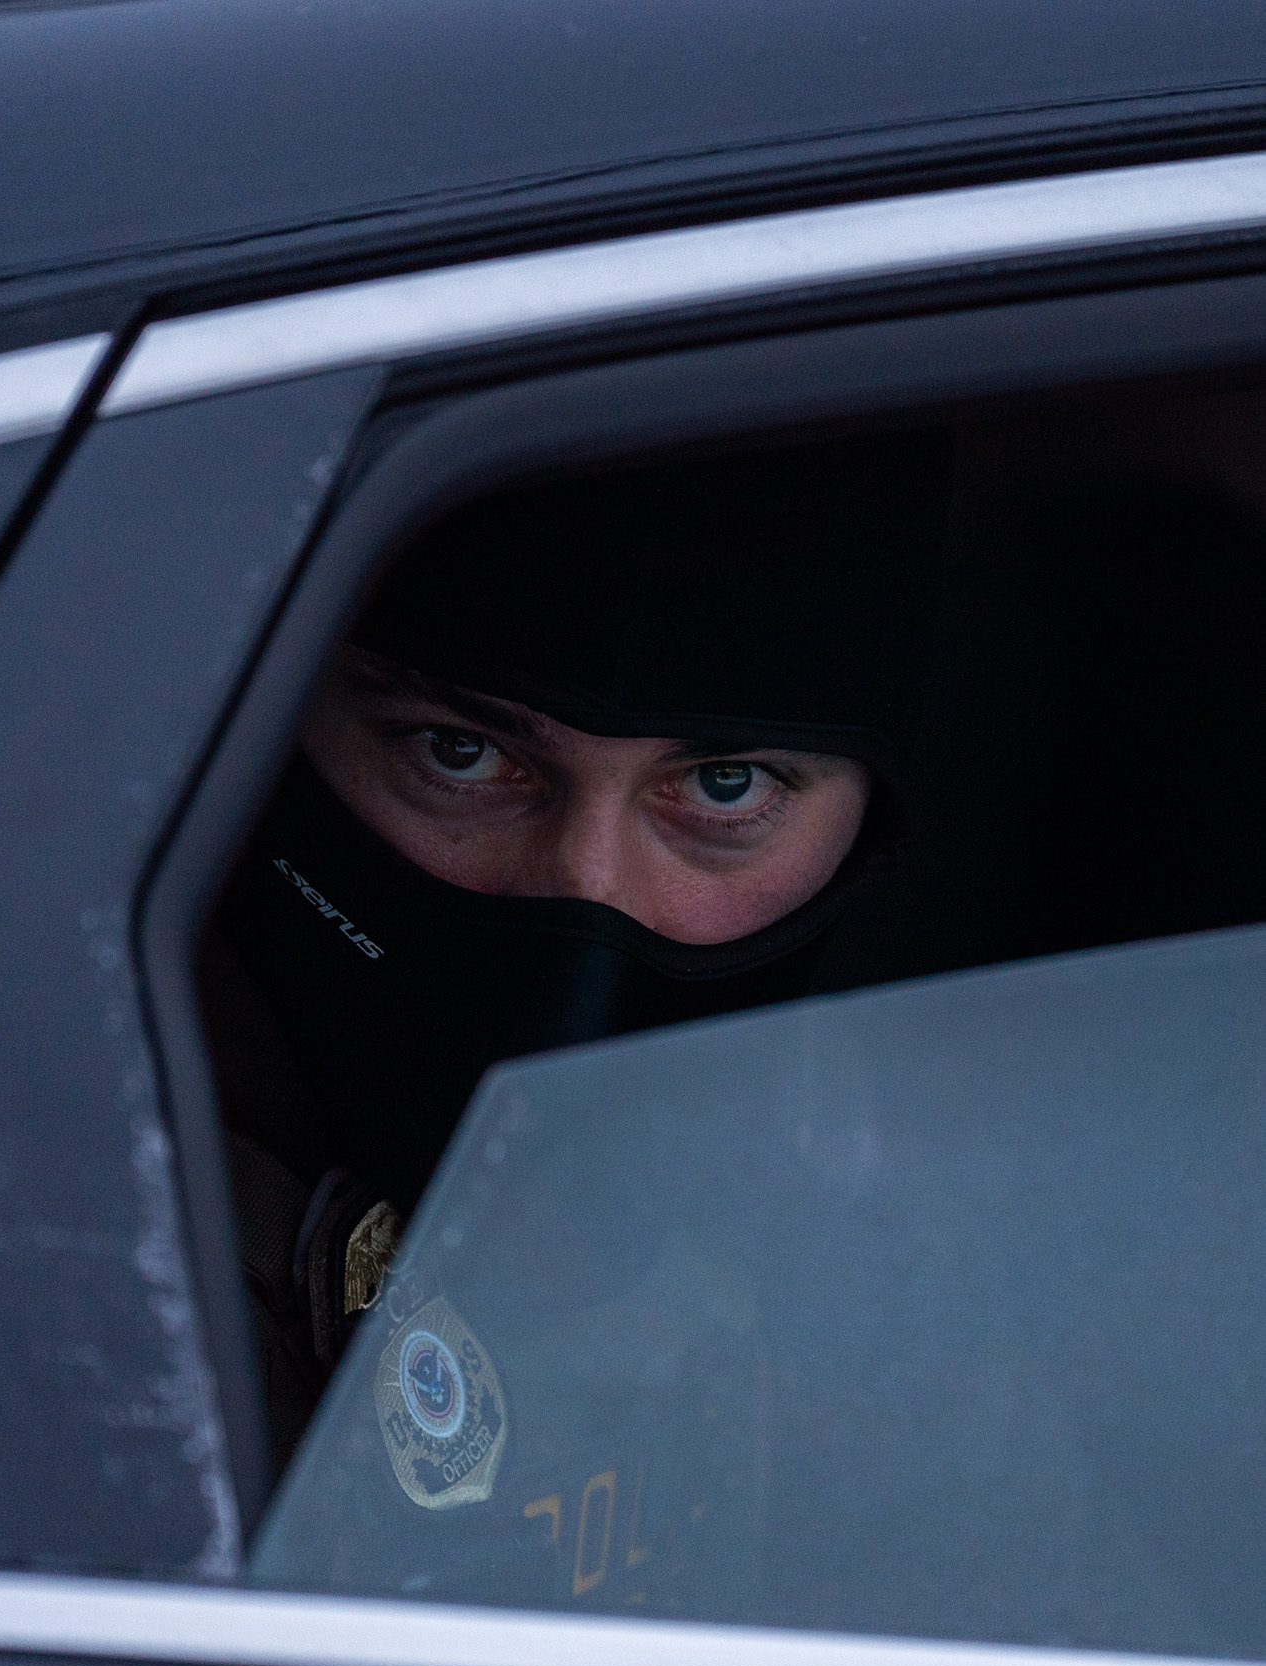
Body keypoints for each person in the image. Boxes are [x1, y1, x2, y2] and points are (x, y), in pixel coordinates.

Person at [201, 433, 951, 1465]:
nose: (587, 888)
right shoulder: (77, 1207)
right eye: (457, 753)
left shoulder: (893, 1210)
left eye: (725, 785)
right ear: (270, 720)